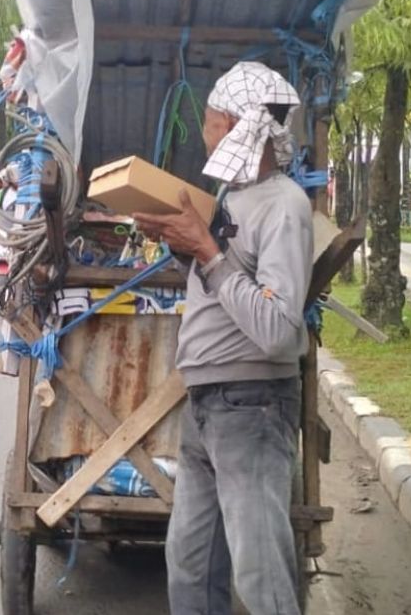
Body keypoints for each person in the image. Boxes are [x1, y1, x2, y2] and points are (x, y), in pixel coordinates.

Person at [134, 61, 311, 615]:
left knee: (261, 576)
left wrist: (207, 252)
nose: (206, 132)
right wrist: (184, 242)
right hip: (207, 400)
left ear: (237, 125)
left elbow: (278, 331)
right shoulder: (232, 198)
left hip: (252, 405)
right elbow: (226, 281)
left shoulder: (284, 206)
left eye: (211, 120)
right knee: (189, 563)